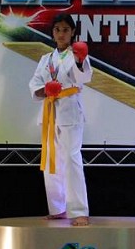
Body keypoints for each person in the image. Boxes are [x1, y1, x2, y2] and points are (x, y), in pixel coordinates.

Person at [29, 13, 93, 226]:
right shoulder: (46, 59)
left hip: (69, 112)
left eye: (66, 30)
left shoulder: (77, 54)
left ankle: (79, 211)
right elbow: (34, 84)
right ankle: (58, 208)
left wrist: (80, 61)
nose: (61, 34)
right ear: (53, 32)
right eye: (57, 29)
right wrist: (45, 90)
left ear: (72, 32)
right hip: (50, 112)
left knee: (72, 160)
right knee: (51, 161)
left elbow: (85, 77)